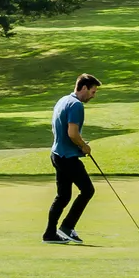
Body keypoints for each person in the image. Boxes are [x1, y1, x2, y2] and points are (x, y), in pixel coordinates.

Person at [43, 73, 101, 244]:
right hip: (67, 157)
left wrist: (78, 144)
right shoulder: (76, 105)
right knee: (87, 190)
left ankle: (49, 234)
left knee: (63, 196)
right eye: (93, 91)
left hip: (57, 154)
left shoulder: (63, 100)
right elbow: (72, 133)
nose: (93, 95)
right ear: (84, 88)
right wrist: (83, 146)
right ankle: (67, 227)